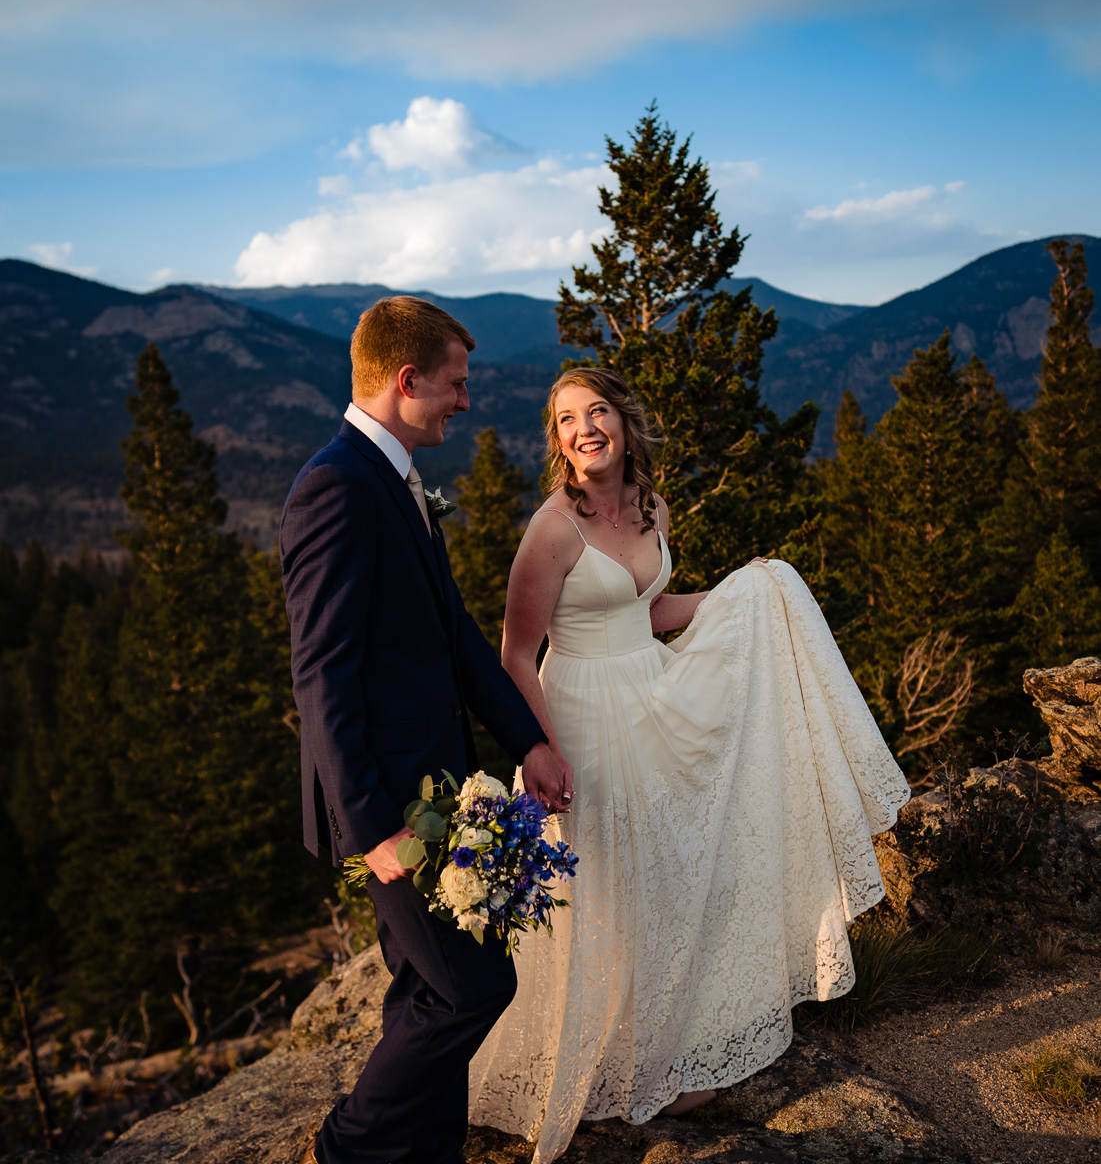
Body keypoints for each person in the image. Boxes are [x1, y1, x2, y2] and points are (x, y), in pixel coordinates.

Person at [468, 367, 910, 1162]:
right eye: (566, 419)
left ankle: (658, 1054)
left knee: (668, 874)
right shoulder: (553, 528)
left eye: (596, 410)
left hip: (652, 692)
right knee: (607, 885)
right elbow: (514, 652)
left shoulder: (649, 508)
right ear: (557, 440)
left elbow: (649, 611)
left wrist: (745, 595)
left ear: (624, 423)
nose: (583, 428)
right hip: (583, 712)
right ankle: (599, 1060)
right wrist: (541, 747)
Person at [280, 296, 573, 1164]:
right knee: (471, 988)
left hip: (439, 785)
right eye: (456, 384)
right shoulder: (336, 488)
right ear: (407, 382)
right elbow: (321, 675)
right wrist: (370, 828)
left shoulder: (398, 482)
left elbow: (454, 638)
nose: (467, 400)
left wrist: (527, 740)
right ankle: (348, 1148)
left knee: (421, 992)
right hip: (394, 809)